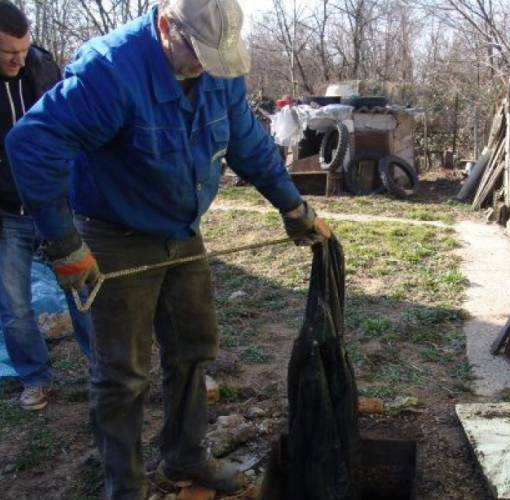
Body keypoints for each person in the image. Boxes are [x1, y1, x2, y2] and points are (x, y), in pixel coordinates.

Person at [6, 0, 331, 498]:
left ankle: (183, 457)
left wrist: (292, 207)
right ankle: (127, 487)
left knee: (194, 348)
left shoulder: (219, 71)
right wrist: (63, 242)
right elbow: (32, 144)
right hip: (113, 232)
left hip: (181, 228)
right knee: (122, 374)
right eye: (197, 53)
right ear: (165, 26)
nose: (205, 65)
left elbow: (246, 142)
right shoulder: (110, 72)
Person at [0, 0, 93, 412]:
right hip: (6, 214)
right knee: (15, 306)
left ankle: (102, 369)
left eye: (24, 49)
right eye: (8, 53)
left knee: (83, 291)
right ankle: (36, 377)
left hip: (56, 206)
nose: (19, 60)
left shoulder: (44, 68)